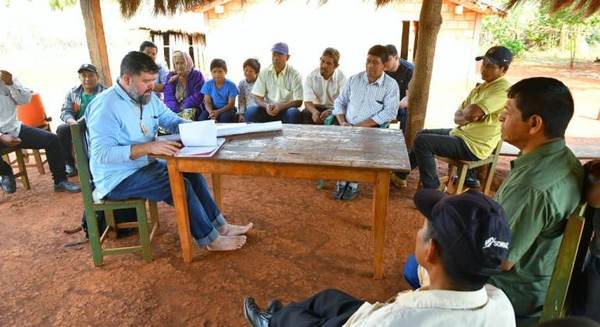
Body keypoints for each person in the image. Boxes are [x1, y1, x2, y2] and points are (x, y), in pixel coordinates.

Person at [243, 189, 515, 327]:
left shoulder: (396, 318)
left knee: (306, 319)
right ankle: (282, 316)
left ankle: (274, 321)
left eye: (422, 228)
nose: (418, 232)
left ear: (431, 250)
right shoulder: (501, 305)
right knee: (329, 298)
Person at [85, 51, 252, 251]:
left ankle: (220, 226)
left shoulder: (146, 97)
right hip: (117, 177)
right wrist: (149, 147)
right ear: (127, 79)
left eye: (153, 81)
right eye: (146, 81)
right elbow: (102, 154)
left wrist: (201, 129)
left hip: (143, 165)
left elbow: (171, 120)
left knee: (191, 172)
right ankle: (210, 240)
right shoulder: (106, 106)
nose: (152, 86)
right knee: (178, 184)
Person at [487, 77, 583, 326]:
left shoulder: (532, 187)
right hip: (537, 277)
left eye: (507, 113)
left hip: (513, 294)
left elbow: (499, 258)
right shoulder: (562, 158)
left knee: (420, 267)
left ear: (534, 123)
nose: (500, 118)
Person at [391, 46, 512, 189]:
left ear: (503, 69)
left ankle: (432, 188)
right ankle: (400, 175)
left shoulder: (502, 89)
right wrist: (470, 115)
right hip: (462, 134)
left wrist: (470, 114)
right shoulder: (481, 87)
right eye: (483, 64)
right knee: (422, 134)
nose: (483, 69)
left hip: (474, 145)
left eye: (490, 66)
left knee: (423, 142)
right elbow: (459, 116)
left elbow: (470, 113)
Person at [331, 44, 399, 201]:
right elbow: (339, 102)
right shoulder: (354, 80)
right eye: (368, 61)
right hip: (346, 126)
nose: (370, 65)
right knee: (341, 144)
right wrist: (342, 122)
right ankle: (342, 181)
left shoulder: (390, 86)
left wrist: (360, 126)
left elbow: (389, 112)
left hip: (371, 130)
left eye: (375, 62)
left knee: (358, 145)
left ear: (384, 65)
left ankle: (353, 184)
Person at [0, 70, 80, 194]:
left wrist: (10, 84)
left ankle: (60, 181)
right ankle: (4, 172)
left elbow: (25, 100)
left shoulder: (6, 77)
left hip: (14, 129)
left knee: (52, 140)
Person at [56, 64, 107, 177]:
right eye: (83, 76)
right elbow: (65, 111)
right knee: (62, 130)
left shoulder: (105, 93)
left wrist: (84, 122)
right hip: (77, 124)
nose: (87, 79)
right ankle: (69, 163)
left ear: (97, 77)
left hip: (98, 126)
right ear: (79, 78)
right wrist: (71, 121)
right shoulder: (73, 93)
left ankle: (95, 167)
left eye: (90, 75)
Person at [245, 42, 302, 124]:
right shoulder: (264, 72)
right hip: (268, 110)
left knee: (293, 113)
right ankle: (255, 136)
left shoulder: (295, 75)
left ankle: (290, 136)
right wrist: (266, 106)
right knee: (250, 112)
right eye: (274, 54)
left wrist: (281, 106)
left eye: (279, 55)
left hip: (285, 110)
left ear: (287, 57)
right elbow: (257, 96)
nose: (275, 58)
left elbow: (299, 101)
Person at [300, 47, 346, 125]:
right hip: (317, 107)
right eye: (322, 61)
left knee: (337, 118)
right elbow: (307, 102)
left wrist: (330, 112)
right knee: (305, 113)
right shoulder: (311, 76)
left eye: (328, 63)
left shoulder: (342, 79)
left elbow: (344, 103)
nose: (324, 66)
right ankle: (308, 137)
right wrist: (314, 112)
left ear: (336, 66)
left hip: (333, 109)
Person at [163, 50, 205, 120]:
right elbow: (168, 96)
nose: (179, 66)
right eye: (177, 63)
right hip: (175, 110)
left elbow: (199, 95)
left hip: (192, 108)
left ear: (188, 62)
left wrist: (184, 106)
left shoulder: (196, 75)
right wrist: (175, 109)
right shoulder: (171, 76)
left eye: (182, 63)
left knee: (186, 116)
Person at [384, 44, 414, 134]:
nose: (385, 63)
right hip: (387, 101)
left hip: (401, 104)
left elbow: (407, 99)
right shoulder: (383, 68)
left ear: (396, 57)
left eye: (388, 60)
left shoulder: (409, 70)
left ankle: (404, 140)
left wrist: (392, 107)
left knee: (406, 114)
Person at [198, 58, 238, 123]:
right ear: (211, 72)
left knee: (224, 118)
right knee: (202, 118)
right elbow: (207, 102)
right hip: (212, 109)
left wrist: (218, 112)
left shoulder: (231, 85)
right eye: (214, 72)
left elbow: (231, 104)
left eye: (220, 71)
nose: (217, 74)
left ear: (225, 71)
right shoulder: (208, 84)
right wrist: (211, 113)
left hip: (227, 109)